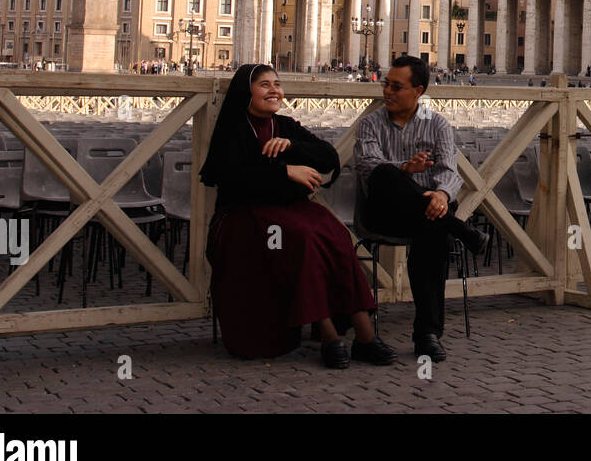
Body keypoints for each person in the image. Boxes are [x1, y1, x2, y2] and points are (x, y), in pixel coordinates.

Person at [200, 63, 396, 369]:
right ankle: (329, 335)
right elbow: (231, 177)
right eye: (264, 84)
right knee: (303, 241)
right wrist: (285, 170)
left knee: (337, 236)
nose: (274, 90)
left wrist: (294, 146)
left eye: (277, 84)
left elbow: (329, 157)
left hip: (292, 210)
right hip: (245, 215)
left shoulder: (286, 126)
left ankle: (365, 334)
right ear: (246, 91)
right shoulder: (233, 128)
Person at [355, 55, 488, 362]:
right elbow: (367, 168)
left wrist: (441, 194)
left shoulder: (438, 124)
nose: (387, 91)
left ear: (418, 91)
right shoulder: (369, 124)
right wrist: (404, 169)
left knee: (432, 230)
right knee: (386, 174)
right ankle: (461, 229)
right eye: (386, 84)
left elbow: (449, 171)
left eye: (396, 86)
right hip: (382, 214)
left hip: (426, 217)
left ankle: (426, 334)